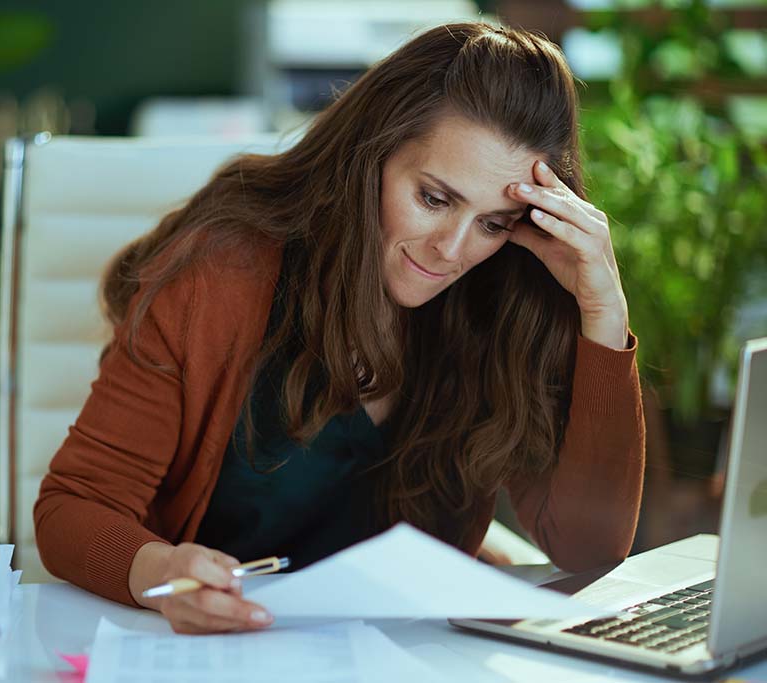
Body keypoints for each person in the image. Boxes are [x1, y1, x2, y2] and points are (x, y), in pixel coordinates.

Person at [34, 22, 645, 635]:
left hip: (412, 662)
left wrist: (604, 314)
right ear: (371, 155)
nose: (451, 250)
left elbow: (589, 550)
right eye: (434, 199)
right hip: (221, 653)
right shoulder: (221, 273)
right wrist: (164, 573)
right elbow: (73, 508)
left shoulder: (502, 297)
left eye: (493, 223)